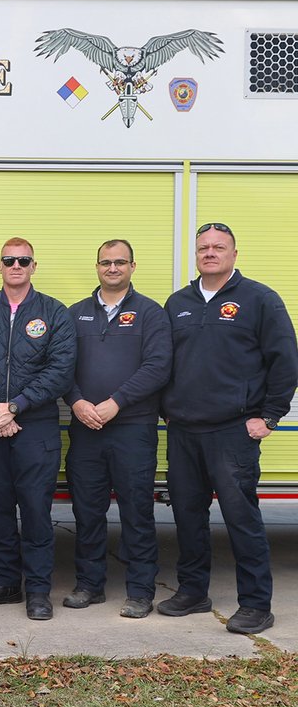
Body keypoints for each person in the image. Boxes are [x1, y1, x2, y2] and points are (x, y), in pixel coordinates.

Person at [159, 222, 298, 634]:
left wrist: (269, 415)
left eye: (219, 247)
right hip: (184, 431)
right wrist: (169, 410)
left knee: (241, 519)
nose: (210, 253)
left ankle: (256, 604)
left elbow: (286, 361)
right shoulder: (178, 302)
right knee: (187, 516)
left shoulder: (259, 299)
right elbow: (165, 362)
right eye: (203, 247)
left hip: (233, 431)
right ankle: (193, 591)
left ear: (235, 254)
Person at [0, 238, 75, 621]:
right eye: (9, 260)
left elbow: (60, 371)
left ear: (33, 266)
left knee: (37, 512)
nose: (16, 265)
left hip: (35, 425)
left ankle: (38, 591)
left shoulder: (54, 313)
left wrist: (14, 407)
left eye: (24, 260)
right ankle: (4, 583)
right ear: (0, 265)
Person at [64, 239, 171, 619]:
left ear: (132, 266)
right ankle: (89, 585)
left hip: (133, 430)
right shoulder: (75, 314)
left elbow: (158, 367)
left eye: (120, 262)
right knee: (87, 511)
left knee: (136, 512)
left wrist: (116, 402)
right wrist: (76, 401)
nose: (112, 268)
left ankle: (140, 591)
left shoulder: (151, 314)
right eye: (106, 262)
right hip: (85, 429)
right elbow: (62, 367)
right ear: (96, 267)